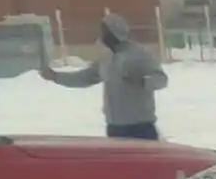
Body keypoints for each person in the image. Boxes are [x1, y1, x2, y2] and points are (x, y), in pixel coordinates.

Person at [42, 12, 168, 140]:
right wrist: (56, 77)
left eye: (105, 32)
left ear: (115, 32)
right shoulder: (106, 58)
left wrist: (142, 81)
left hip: (140, 127)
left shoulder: (139, 55)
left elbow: (161, 79)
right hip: (114, 128)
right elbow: (85, 77)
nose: (102, 36)